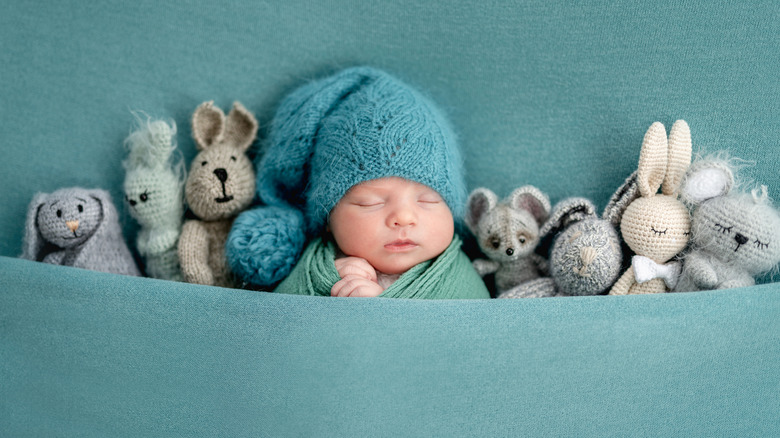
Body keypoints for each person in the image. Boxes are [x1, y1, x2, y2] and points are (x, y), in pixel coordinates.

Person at [226, 66, 490, 299]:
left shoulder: (456, 273)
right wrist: (328, 281)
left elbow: (474, 331)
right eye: (370, 202)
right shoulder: (321, 265)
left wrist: (382, 310)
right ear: (328, 221)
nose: (404, 217)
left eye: (428, 200)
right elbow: (281, 317)